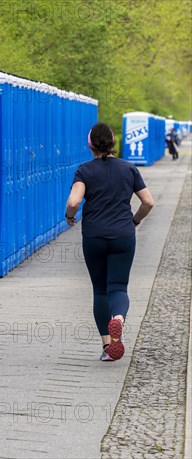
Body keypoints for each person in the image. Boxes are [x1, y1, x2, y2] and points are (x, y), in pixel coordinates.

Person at [65, 123, 154, 362]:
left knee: (100, 289)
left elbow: (74, 201)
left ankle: (107, 346)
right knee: (118, 287)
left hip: (94, 237)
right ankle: (118, 319)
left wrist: (70, 216)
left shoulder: (84, 171)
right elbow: (148, 202)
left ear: (90, 144)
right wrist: (134, 221)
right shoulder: (129, 168)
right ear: (113, 143)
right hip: (123, 235)